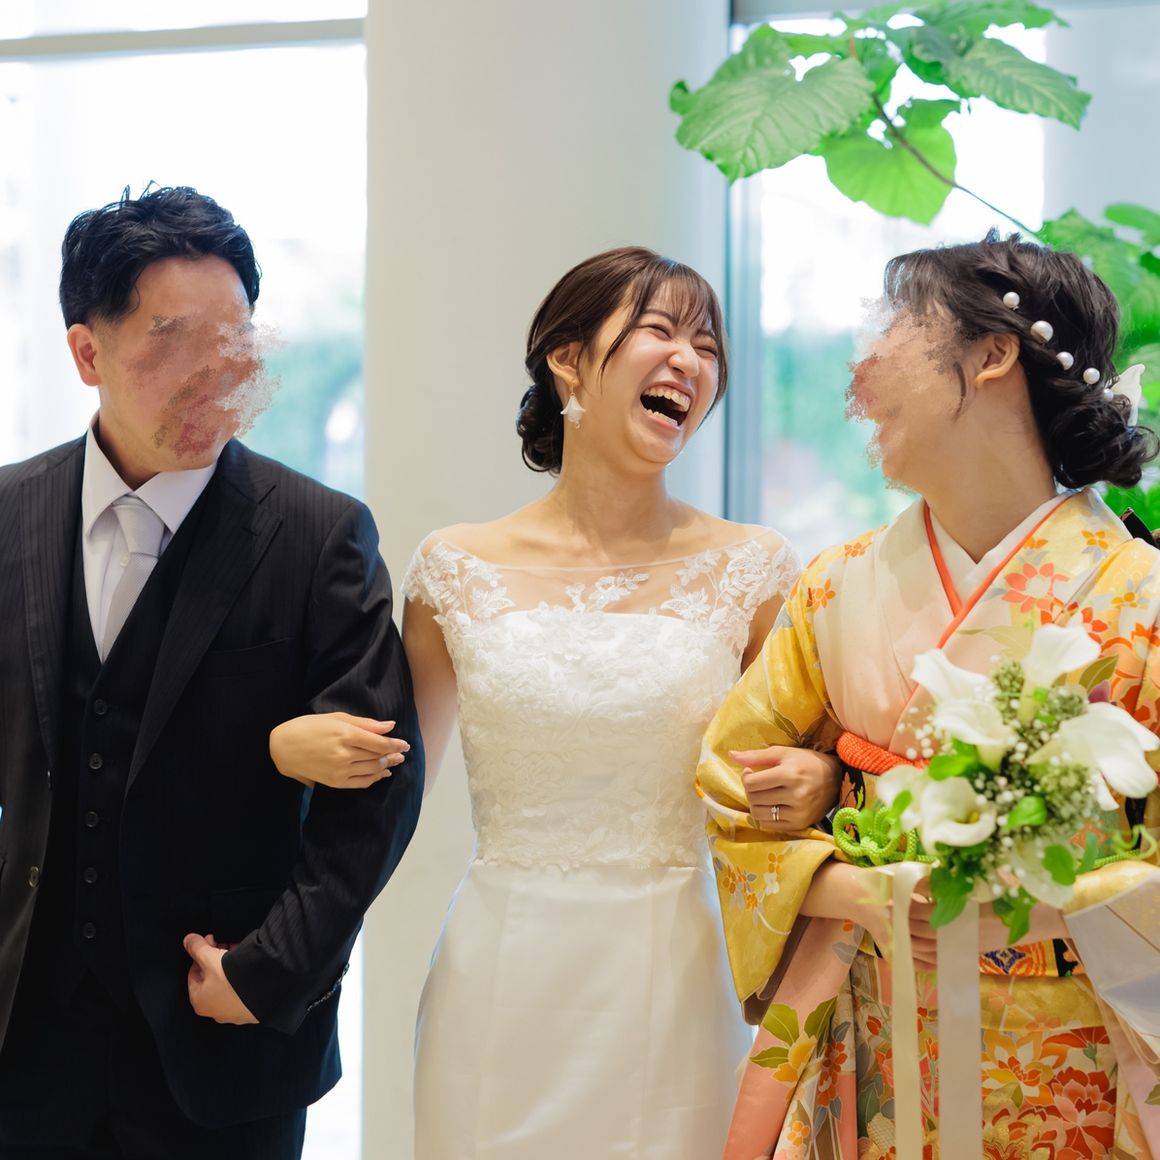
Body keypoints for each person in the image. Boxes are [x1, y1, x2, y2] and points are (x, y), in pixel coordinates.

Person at [269, 246, 840, 1157]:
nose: (690, 360)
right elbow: (387, 792)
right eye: (660, 330)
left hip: (677, 979)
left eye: (707, 345)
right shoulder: (455, 569)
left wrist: (820, 777)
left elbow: (824, 757)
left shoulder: (755, 568)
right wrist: (281, 756)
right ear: (567, 359)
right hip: (500, 979)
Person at [697, 231, 1160, 1158]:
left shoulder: (1140, 601)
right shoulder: (836, 586)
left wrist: (1045, 905)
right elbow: (730, 789)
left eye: (894, 325)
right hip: (873, 1033)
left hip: (1075, 1058)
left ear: (993, 355)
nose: (859, 370)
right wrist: (852, 885)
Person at [0, 186, 423, 1158]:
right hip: (24, 1044)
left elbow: (379, 790)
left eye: (232, 337)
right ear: (86, 352)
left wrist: (271, 970)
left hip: (222, 1041)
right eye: (170, 338)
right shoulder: (8, 514)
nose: (213, 372)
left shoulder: (319, 534)